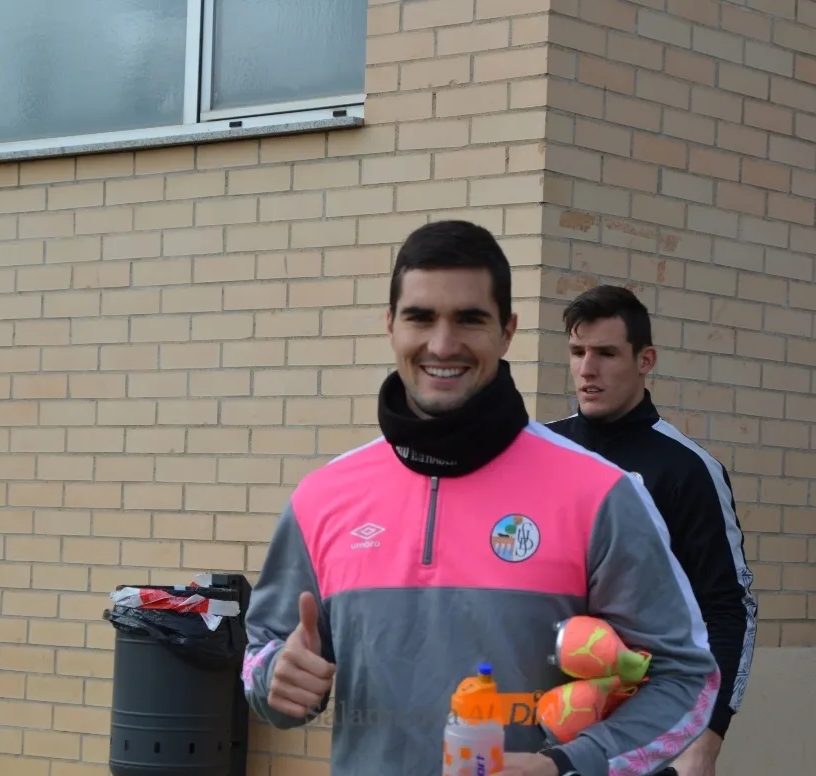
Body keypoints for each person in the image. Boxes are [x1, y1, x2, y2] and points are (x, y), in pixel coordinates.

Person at [241, 220, 721, 776]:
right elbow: (261, 659)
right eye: (421, 317)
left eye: (470, 319)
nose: (443, 345)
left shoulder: (600, 493)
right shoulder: (322, 497)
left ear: (507, 330)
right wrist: (275, 677)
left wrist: (567, 765)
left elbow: (687, 679)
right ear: (391, 325)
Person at [545, 285, 758, 776]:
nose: (586, 369)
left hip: (644, 735)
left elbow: (730, 608)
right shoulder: (539, 454)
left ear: (645, 360)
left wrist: (708, 735)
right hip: (539, 724)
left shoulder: (687, 469)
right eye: (577, 352)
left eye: (605, 354)